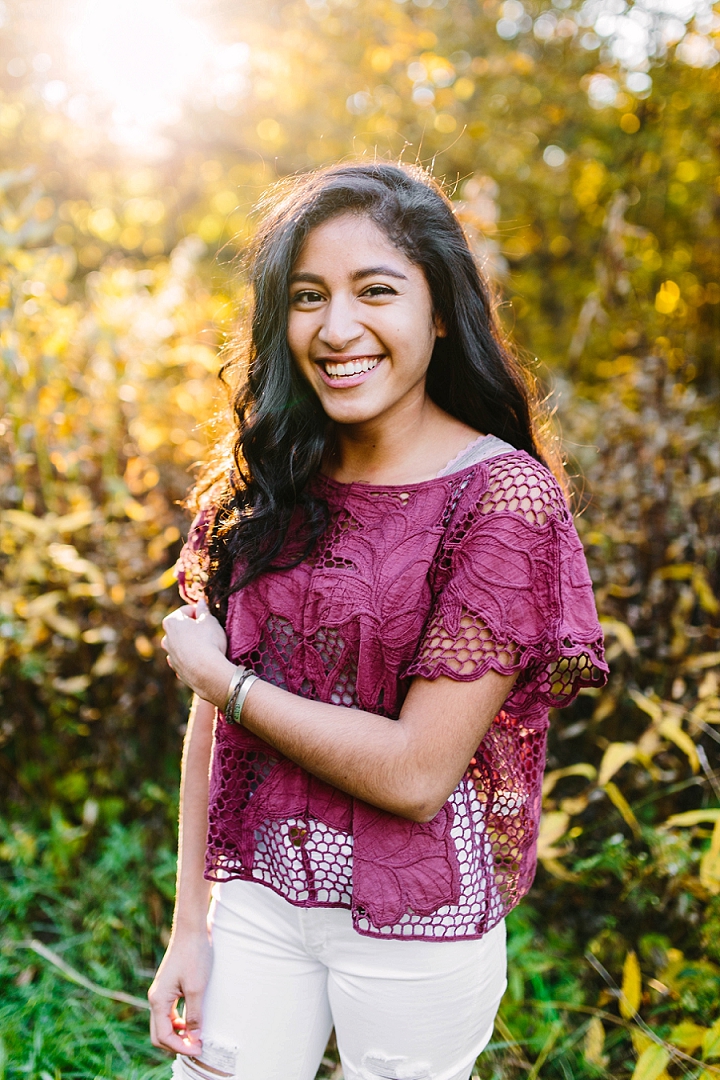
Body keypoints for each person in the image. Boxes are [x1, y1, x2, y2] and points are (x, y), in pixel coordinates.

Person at [149, 161, 608, 1080]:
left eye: (376, 291)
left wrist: (226, 682)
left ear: (440, 312)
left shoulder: (502, 500)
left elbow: (416, 772)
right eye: (308, 295)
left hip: (418, 924)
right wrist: (190, 924)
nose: (337, 328)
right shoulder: (271, 476)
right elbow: (217, 731)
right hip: (258, 895)